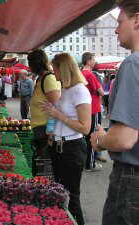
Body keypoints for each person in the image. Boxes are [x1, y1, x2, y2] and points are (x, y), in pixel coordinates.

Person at [90, 1, 139, 224]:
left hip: (131, 181)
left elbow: (124, 139)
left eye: (120, 22)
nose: (116, 29)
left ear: (137, 20)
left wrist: (100, 140)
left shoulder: (132, 64)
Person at [42, 53, 91, 225]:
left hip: (72, 149)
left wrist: (57, 114)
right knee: (60, 192)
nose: (53, 73)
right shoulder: (66, 89)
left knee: (72, 197)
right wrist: (51, 128)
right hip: (59, 147)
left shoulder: (80, 91)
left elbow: (85, 128)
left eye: (54, 69)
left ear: (63, 69)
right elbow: (59, 115)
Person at [27, 49, 61, 160]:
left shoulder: (48, 78)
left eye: (30, 64)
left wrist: (51, 133)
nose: (29, 67)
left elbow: (56, 106)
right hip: (40, 129)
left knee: (46, 165)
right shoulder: (40, 79)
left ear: (35, 64)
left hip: (46, 130)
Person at [81, 52, 105, 170]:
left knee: (86, 136)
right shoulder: (90, 74)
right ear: (89, 60)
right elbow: (100, 91)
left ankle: (87, 161)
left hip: (84, 109)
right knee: (93, 136)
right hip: (93, 108)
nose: (94, 61)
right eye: (93, 59)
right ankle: (90, 164)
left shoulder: (81, 73)